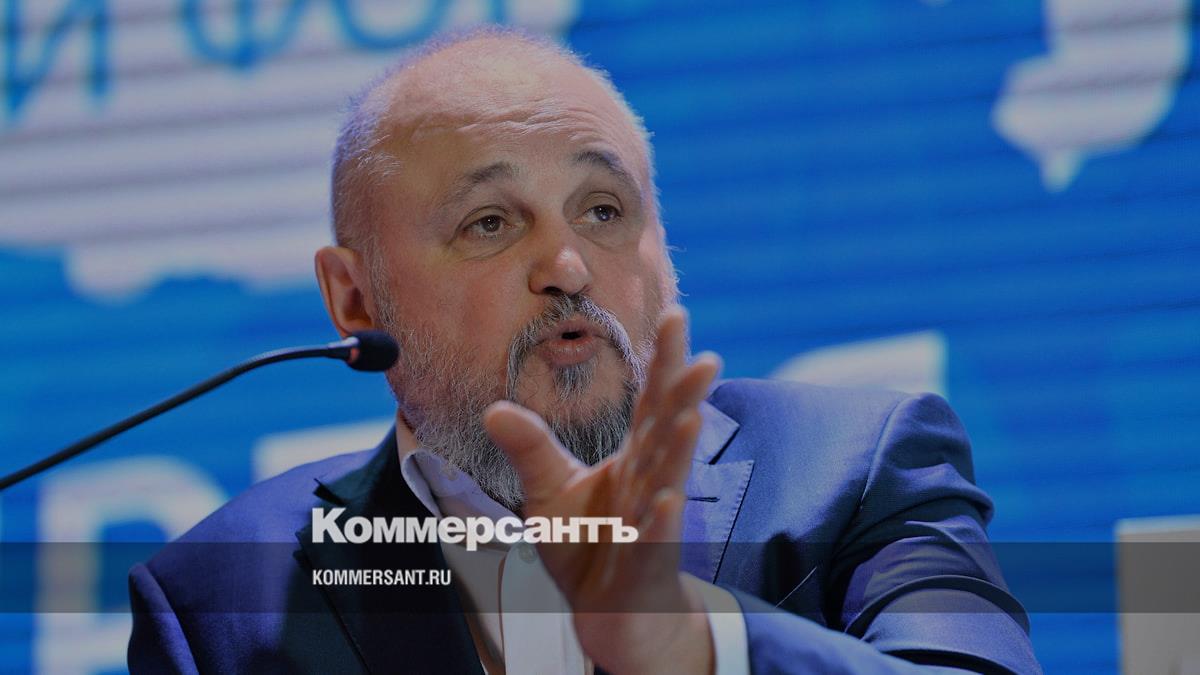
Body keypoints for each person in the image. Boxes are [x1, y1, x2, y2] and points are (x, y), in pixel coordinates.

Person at [127, 27, 1040, 674]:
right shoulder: (221, 592)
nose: (567, 266)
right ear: (355, 298)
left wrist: (688, 642)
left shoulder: (855, 465)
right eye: (490, 222)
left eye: (603, 210)